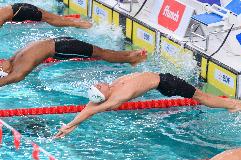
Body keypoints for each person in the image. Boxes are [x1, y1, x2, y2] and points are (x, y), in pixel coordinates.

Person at [54, 72, 241, 138]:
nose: (98, 83)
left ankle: (232, 104)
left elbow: (89, 107)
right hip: (167, 83)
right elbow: (92, 111)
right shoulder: (115, 98)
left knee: (200, 96)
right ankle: (235, 105)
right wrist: (71, 126)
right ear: (102, 96)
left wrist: (71, 124)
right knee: (201, 97)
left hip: (164, 81)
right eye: (98, 87)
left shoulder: (111, 89)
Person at [0, 37, 147, 87]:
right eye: (0, 66)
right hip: (61, 48)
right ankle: (131, 59)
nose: (1, 62)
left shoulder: (14, 59)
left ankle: (130, 56)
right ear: (5, 74)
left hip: (59, 42)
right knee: (100, 53)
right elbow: (6, 81)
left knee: (100, 51)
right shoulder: (18, 71)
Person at [0, 3, 92, 28]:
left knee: (53, 20)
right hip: (20, 7)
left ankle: (86, 25)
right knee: (55, 18)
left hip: (23, 11)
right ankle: (82, 23)